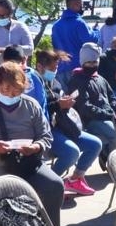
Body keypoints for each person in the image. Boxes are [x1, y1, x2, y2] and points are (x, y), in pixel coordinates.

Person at [0, 63, 65, 226]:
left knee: (55, 185)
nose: (10, 95)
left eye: (16, 91)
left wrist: (36, 147)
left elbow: (46, 137)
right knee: (8, 204)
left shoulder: (31, 105)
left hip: (26, 163)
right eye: (5, 90)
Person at [33, 50, 103, 196]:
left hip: (62, 126)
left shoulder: (54, 82)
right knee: (72, 152)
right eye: (52, 68)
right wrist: (58, 105)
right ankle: (45, 185)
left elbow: (58, 99)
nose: (54, 71)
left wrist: (66, 102)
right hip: (47, 131)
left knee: (95, 144)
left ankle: (75, 180)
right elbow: (38, 110)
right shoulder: (33, 84)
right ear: (39, 67)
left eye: (56, 67)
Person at [69, 42, 116, 166]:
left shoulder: (100, 78)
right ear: (83, 62)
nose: (93, 65)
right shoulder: (77, 80)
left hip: (107, 116)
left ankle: (107, 154)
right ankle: (113, 163)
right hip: (89, 121)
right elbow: (85, 107)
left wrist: (113, 110)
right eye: (89, 63)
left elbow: (111, 96)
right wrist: (107, 114)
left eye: (95, 62)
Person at [51, 0, 96, 88]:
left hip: (61, 69)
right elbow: (90, 41)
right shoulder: (79, 23)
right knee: (79, 99)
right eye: (80, 4)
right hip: (77, 69)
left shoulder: (56, 25)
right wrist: (96, 32)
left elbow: (55, 48)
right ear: (74, 5)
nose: (82, 7)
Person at [2, 45, 46, 111]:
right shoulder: (3, 76)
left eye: (13, 64)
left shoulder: (34, 77)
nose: (10, 68)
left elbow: (39, 102)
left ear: (23, 60)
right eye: (7, 65)